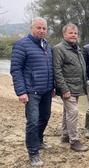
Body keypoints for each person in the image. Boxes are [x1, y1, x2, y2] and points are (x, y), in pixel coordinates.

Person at [10, 17, 54, 166]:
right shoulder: (21, 45)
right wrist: (21, 91)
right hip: (31, 92)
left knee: (45, 117)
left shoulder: (47, 45)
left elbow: (50, 68)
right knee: (33, 122)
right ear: (32, 28)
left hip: (47, 91)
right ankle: (33, 153)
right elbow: (16, 70)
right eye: (38, 28)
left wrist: (53, 86)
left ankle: (40, 141)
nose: (42, 30)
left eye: (44, 28)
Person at [53, 23, 89, 152]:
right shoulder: (59, 49)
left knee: (67, 112)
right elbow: (57, 70)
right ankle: (74, 141)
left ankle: (65, 135)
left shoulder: (76, 48)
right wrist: (64, 89)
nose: (74, 35)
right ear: (64, 34)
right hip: (67, 87)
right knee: (73, 112)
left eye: (75, 33)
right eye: (71, 33)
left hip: (77, 86)